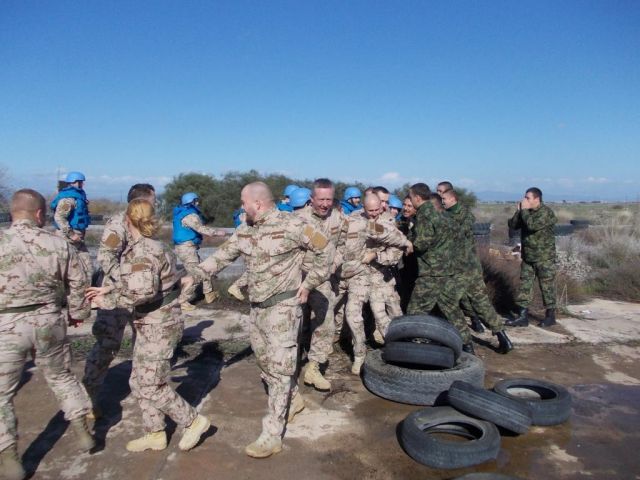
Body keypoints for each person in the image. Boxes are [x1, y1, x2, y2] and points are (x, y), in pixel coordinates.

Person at [189, 182, 330, 459]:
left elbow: (326, 250)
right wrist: (191, 276)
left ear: (257, 203)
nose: (241, 207)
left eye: (244, 202)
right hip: (256, 310)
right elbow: (222, 256)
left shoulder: (293, 225)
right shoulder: (246, 228)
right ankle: (293, 400)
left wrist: (309, 283)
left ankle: (272, 434)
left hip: (283, 309)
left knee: (279, 371)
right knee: (264, 363)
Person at [86, 199, 210, 453]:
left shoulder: (143, 252)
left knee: (151, 385)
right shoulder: (153, 247)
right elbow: (140, 281)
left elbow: (142, 293)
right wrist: (109, 288)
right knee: (138, 380)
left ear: (127, 220)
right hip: (153, 323)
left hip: (158, 325)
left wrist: (104, 301)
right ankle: (155, 433)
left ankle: (193, 421)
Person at [0, 189, 94, 480]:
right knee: (61, 376)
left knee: (2, 394)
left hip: (7, 325)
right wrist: (78, 313)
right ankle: (82, 429)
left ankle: (9, 458)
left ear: (12, 212)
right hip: (49, 319)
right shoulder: (58, 243)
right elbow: (79, 282)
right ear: (40, 214)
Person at [82, 183, 156, 417]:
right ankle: (88, 398)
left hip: (138, 294)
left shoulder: (143, 223)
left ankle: (145, 393)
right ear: (143, 200)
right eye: (153, 200)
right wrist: (126, 279)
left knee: (143, 343)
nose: (155, 204)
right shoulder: (118, 224)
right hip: (115, 293)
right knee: (107, 344)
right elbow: (106, 257)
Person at [338, 194, 413, 373]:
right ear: (363, 208)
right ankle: (359, 353)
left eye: (376, 210)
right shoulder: (355, 217)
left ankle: (401, 350)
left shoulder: (388, 222)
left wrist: (376, 256)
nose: (373, 214)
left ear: (382, 206)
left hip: (379, 275)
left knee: (385, 315)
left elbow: (395, 252)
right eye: (369, 210)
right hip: (358, 274)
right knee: (353, 314)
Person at [441, 189, 513, 354]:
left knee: (450, 304)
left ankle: (467, 344)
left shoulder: (459, 216)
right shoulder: (451, 215)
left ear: (453, 198)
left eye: (443, 197)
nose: (442, 201)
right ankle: (502, 336)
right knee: (480, 303)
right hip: (469, 267)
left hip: (460, 269)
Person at [407, 183, 475, 354]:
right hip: (446, 270)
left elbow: (423, 242)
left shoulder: (424, 214)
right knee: (451, 308)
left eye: (411, 197)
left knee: (415, 311)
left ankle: (415, 347)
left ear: (417, 198)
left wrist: (409, 244)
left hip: (431, 272)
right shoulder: (440, 214)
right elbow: (456, 234)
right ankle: (468, 345)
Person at [295, 179, 348, 392]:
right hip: (298, 277)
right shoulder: (298, 219)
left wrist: (334, 263)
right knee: (295, 321)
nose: (325, 204)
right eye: (321, 199)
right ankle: (290, 363)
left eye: (329, 199)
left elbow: (343, 246)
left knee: (326, 322)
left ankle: (314, 367)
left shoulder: (339, 218)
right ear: (311, 199)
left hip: (323, 279)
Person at [505, 187, 558, 328]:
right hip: (528, 257)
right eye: (525, 197)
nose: (525, 200)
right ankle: (522, 316)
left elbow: (532, 225)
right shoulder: (525, 213)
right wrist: (518, 212)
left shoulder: (546, 213)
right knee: (524, 286)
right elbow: (512, 225)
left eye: (528, 198)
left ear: (537, 199)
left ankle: (550, 316)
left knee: (546, 287)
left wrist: (523, 211)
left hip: (544, 258)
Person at [172, 192, 226, 311]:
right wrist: (217, 232)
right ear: (191, 202)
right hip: (187, 249)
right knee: (196, 276)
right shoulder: (190, 215)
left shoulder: (182, 213)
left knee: (204, 269)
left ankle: (209, 294)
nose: (198, 203)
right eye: (196, 201)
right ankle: (183, 302)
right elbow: (200, 228)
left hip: (187, 248)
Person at [50, 171, 92, 275]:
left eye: (82, 182)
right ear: (73, 182)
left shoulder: (78, 196)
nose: (82, 184)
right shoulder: (67, 199)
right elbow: (59, 217)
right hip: (67, 237)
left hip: (77, 237)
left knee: (85, 266)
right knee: (67, 267)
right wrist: (71, 234)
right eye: (80, 182)